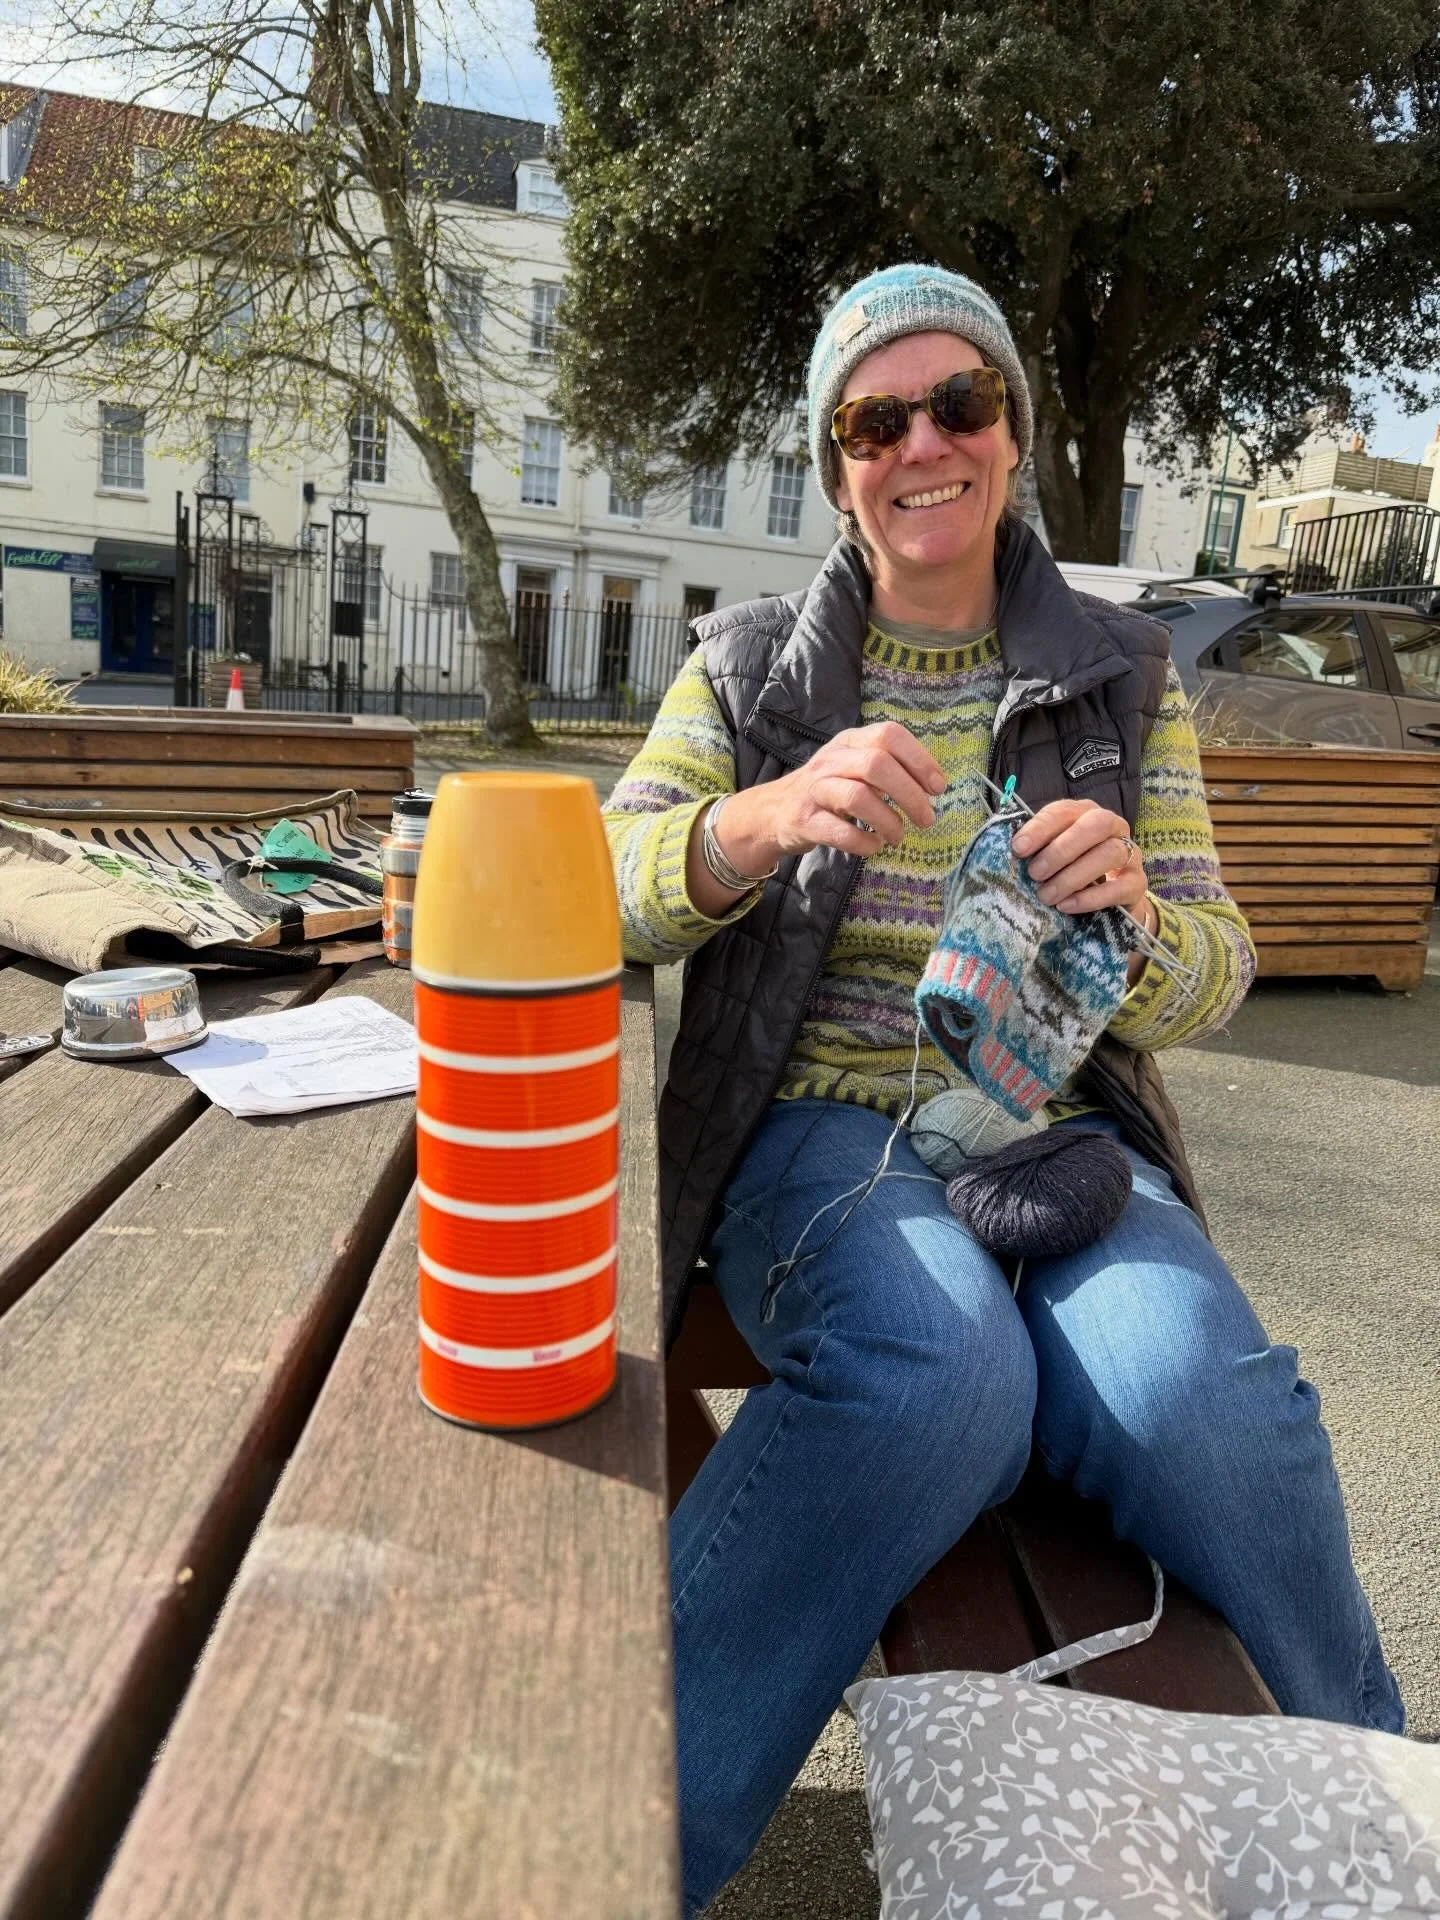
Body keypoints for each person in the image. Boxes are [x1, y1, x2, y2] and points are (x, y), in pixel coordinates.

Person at [602, 263, 1403, 1914]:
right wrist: (753, 823)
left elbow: (1217, 969)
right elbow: (601, 883)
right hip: (825, 1127)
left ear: (1014, 436)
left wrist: (1137, 911)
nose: (922, 444)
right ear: (839, 464)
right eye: (875, 419)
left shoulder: (1121, 674)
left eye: (959, 403)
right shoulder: (750, 665)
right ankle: (600, 1849)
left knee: (1205, 1401)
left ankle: (1384, 1824)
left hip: (1060, 1126)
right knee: (935, 1375)